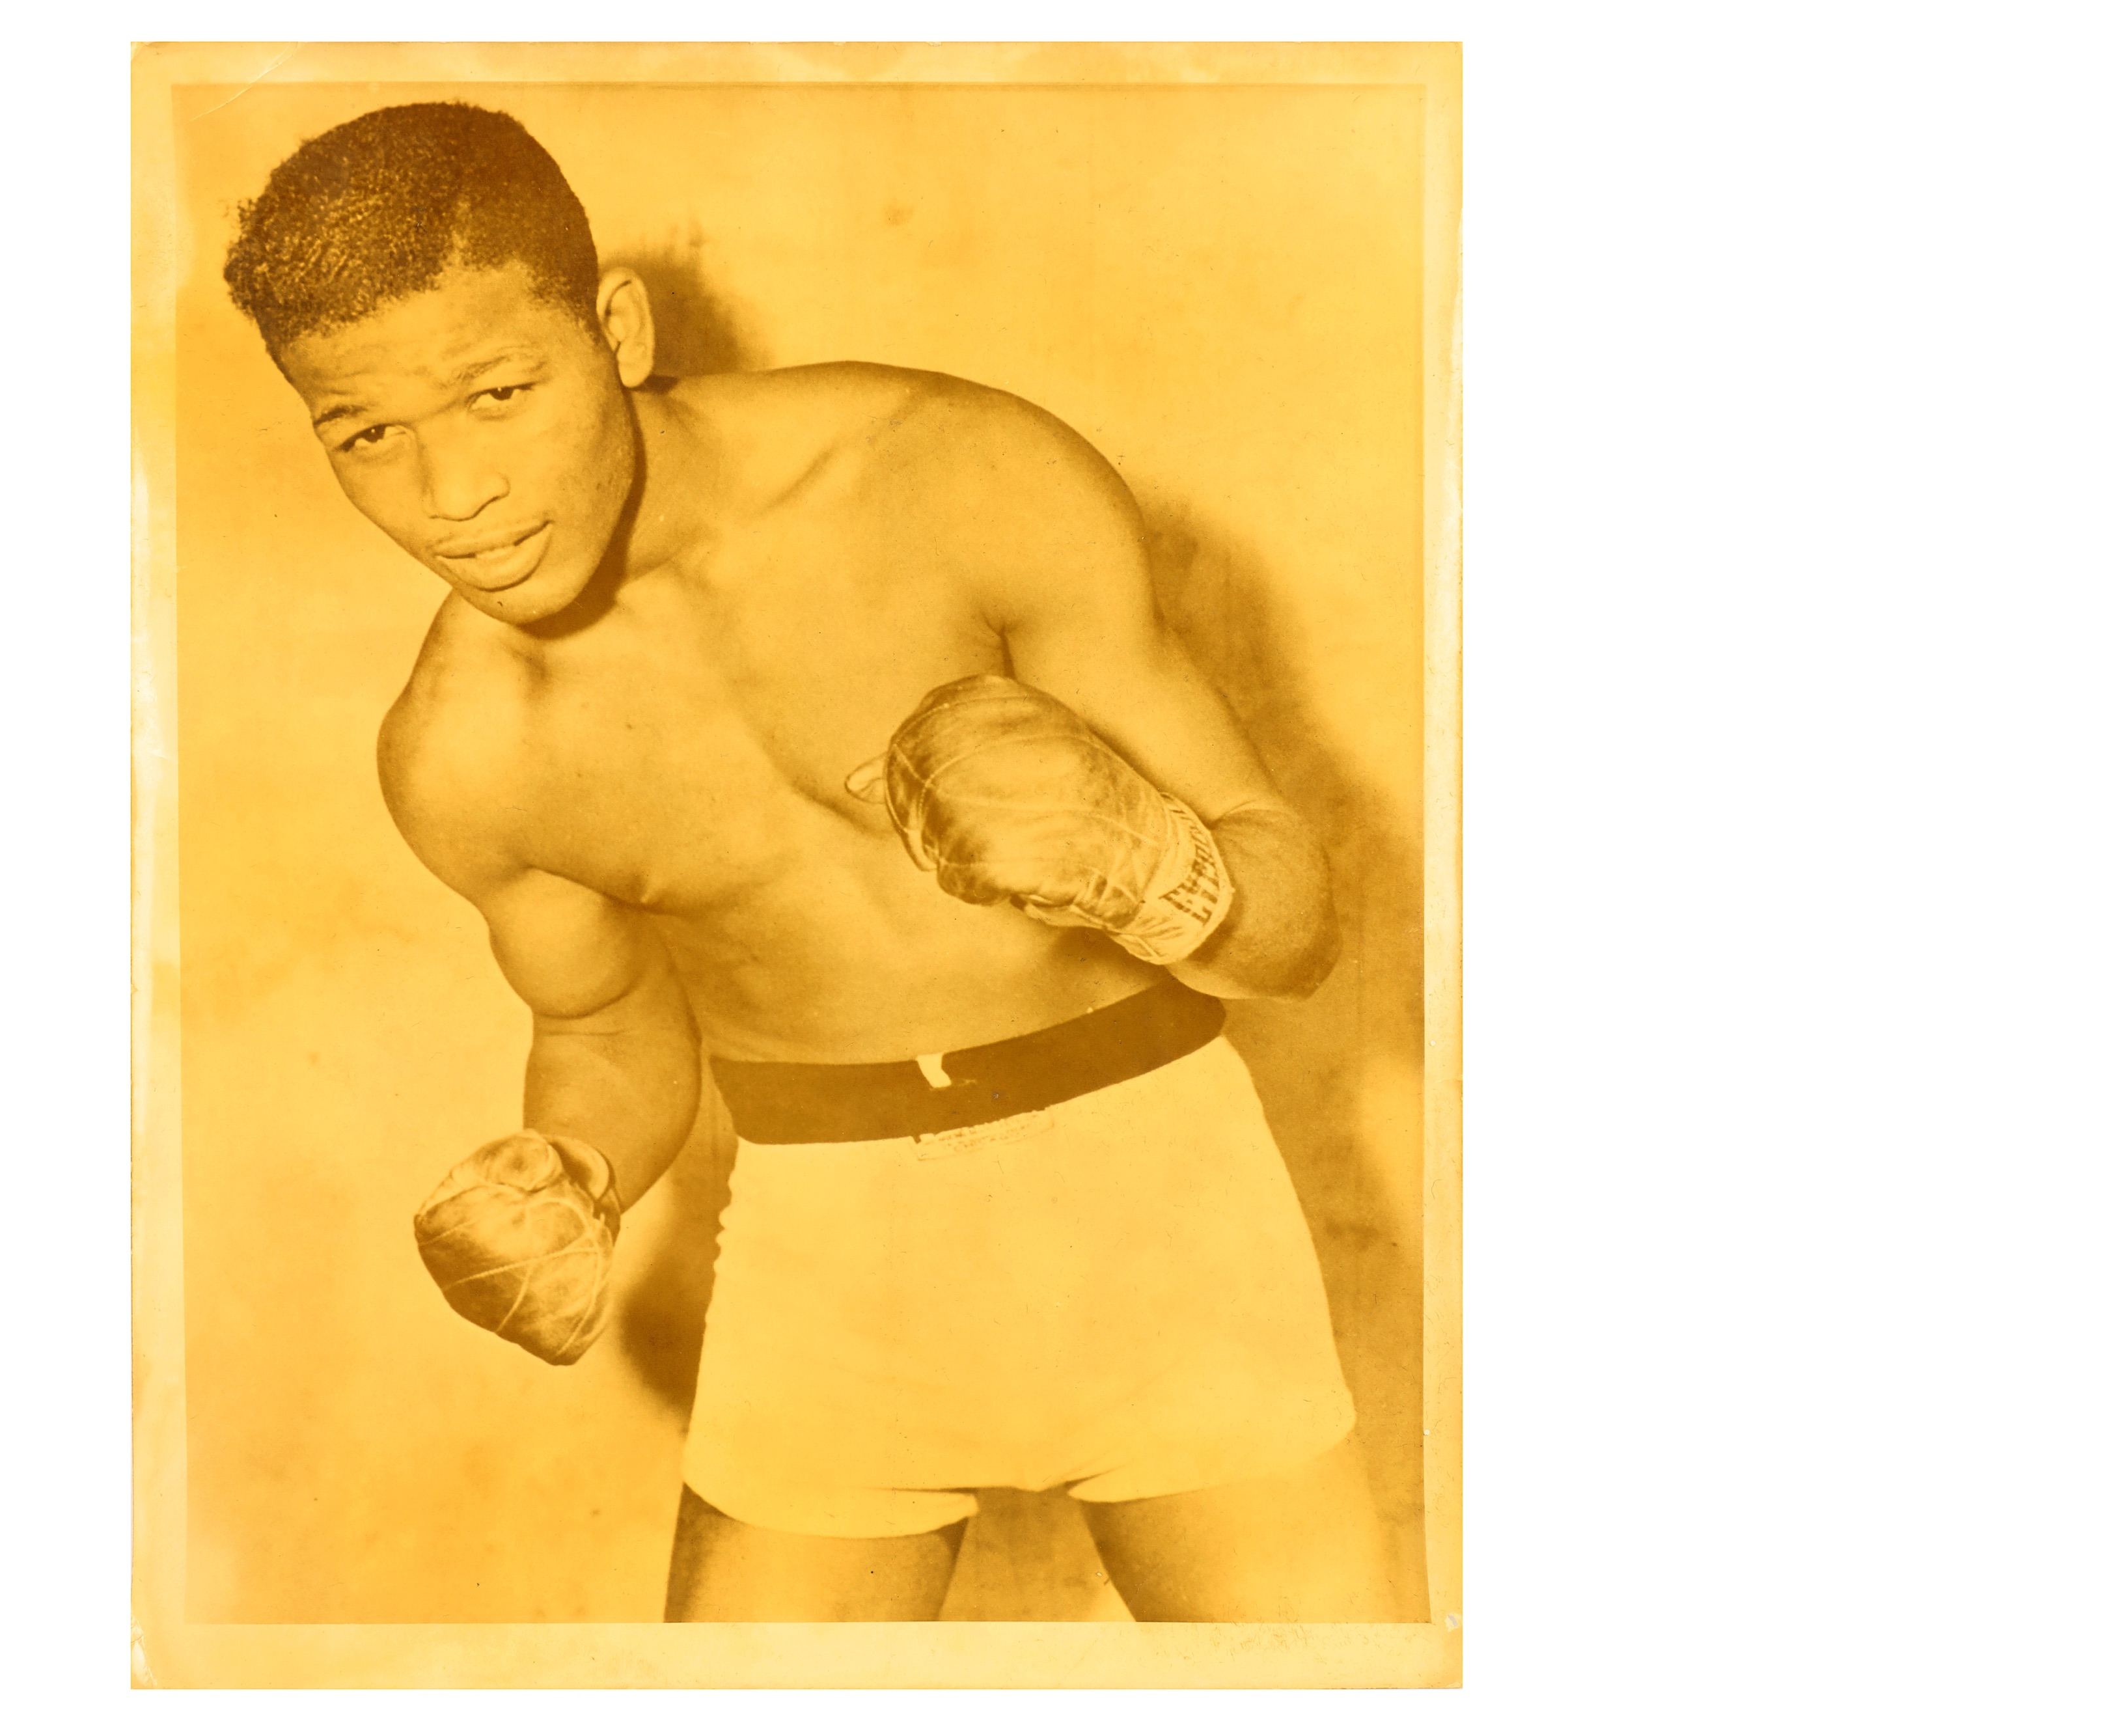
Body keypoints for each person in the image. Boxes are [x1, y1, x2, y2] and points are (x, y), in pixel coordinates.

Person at [221, 100, 1394, 1621]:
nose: (452, 497)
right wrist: (571, 1175)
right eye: (365, 433)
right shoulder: (464, 753)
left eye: (498, 391)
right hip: (825, 1254)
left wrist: (1151, 866)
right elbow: (606, 1027)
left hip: (1160, 1198)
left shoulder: (952, 471)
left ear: (619, 331)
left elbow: (1294, 930)